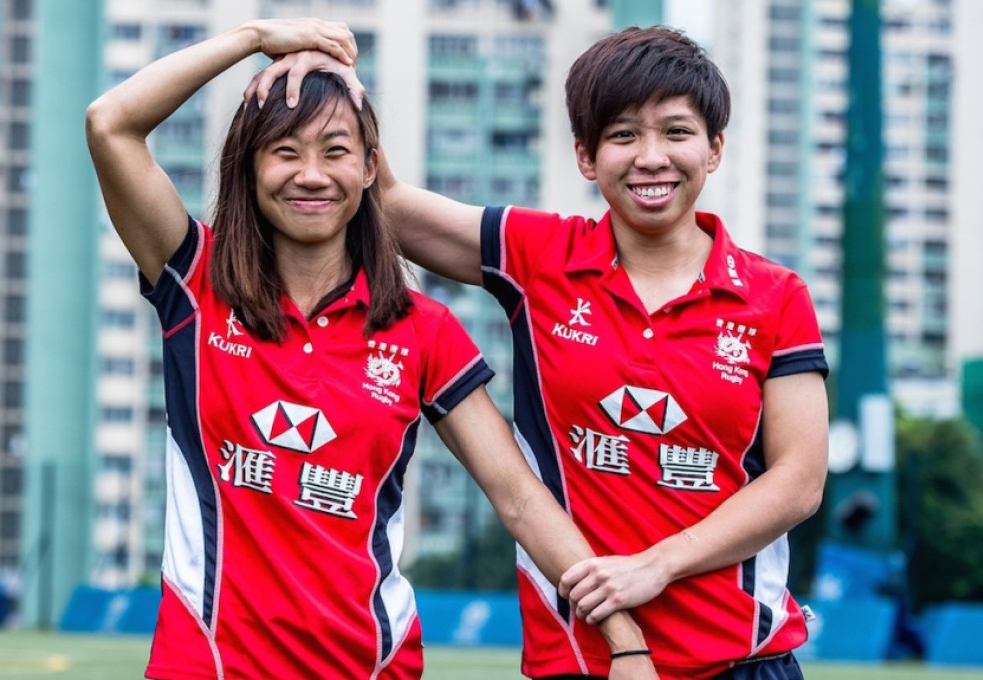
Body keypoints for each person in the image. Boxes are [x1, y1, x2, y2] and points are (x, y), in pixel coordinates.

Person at [252, 22, 830, 680]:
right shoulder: (538, 256)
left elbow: (799, 483)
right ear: (586, 156)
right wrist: (334, 90)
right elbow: (380, 202)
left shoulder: (775, 296)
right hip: (581, 661)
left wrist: (657, 565)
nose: (650, 157)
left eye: (675, 132)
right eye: (622, 136)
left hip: (743, 662)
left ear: (714, 147)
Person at [85, 18, 648, 680]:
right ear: (251, 166)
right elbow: (110, 124)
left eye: (335, 150)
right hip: (206, 665)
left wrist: (623, 635)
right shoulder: (195, 284)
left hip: (372, 667)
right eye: (285, 152)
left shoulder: (423, 328)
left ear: (369, 167)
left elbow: (519, 497)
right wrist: (252, 39)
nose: (311, 175)